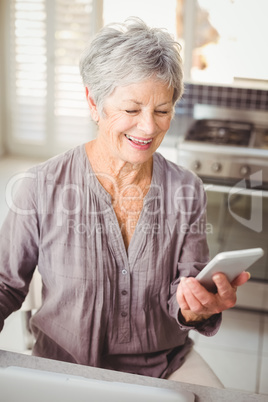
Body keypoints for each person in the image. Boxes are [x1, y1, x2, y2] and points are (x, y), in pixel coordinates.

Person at [0, 18, 249, 381]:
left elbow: (187, 291)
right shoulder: (39, 185)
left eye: (162, 110)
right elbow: (5, 284)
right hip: (63, 366)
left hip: (162, 366)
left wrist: (197, 308)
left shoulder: (186, 189)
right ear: (93, 102)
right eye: (132, 110)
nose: (148, 127)